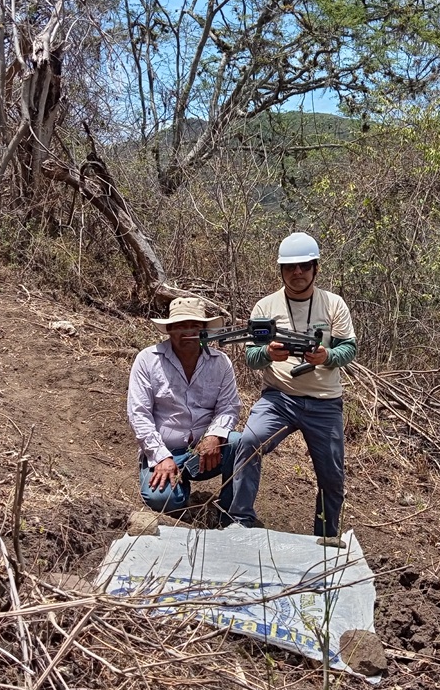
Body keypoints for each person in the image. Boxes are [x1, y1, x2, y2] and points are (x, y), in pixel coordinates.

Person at [225, 232, 358, 541]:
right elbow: (251, 357)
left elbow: (348, 350)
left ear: (315, 268)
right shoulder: (265, 307)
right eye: (290, 268)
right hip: (279, 397)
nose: (297, 273)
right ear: (281, 270)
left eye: (304, 267)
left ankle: (326, 537)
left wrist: (326, 356)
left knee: (332, 475)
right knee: (249, 442)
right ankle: (240, 520)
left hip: (325, 402)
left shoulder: (333, 305)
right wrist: (269, 354)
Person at [127, 296, 242, 518]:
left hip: (204, 452)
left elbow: (229, 406)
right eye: (180, 326)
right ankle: (180, 493)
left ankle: (231, 512)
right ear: (169, 329)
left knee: (240, 443)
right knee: (163, 499)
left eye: (194, 326)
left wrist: (215, 436)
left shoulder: (221, 362)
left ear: (204, 330)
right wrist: (161, 456)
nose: (188, 332)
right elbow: (138, 414)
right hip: (163, 448)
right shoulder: (148, 360)